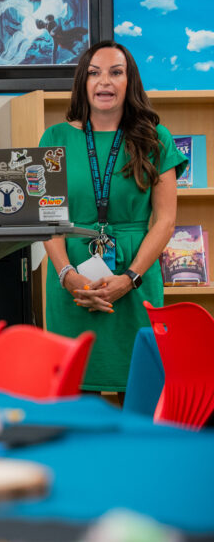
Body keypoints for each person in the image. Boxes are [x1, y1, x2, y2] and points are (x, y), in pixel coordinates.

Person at [39, 40, 187, 394]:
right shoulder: (54, 137)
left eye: (115, 72)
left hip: (134, 276)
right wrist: (67, 276)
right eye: (94, 73)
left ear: (129, 81)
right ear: (82, 83)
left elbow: (165, 221)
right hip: (70, 277)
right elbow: (46, 218)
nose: (104, 81)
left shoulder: (156, 138)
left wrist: (129, 278)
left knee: (142, 391)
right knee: (72, 393)